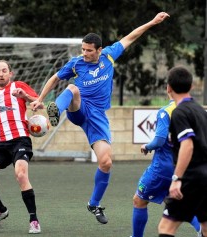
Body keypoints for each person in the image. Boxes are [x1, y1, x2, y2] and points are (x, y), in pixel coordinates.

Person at [31, 12, 170, 224]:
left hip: (98, 117)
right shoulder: (76, 63)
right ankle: (54, 113)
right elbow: (55, 78)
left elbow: (131, 37)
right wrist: (40, 98)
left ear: (99, 50)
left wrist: (152, 22)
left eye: (88, 50)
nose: (84, 53)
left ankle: (94, 204)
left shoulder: (109, 56)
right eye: (83, 49)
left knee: (106, 162)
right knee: (71, 88)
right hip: (80, 109)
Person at [0, 60, 42, 234]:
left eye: (4, 71)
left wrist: (24, 96)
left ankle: (33, 220)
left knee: (21, 174)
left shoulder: (18, 86)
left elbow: (39, 102)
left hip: (20, 140)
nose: (1, 74)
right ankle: (0, 210)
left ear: (10, 73)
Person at [130, 96, 201, 237]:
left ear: (169, 89)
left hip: (162, 169)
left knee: (139, 200)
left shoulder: (165, 112)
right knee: (183, 204)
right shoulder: (195, 111)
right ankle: (201, 231)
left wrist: (147, 146)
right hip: (183, 168)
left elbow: (159, 140)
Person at [157, 66, 207, 237]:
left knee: (166, 228)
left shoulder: (179, 113)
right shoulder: (201, 110)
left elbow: (188, 145)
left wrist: (177, 178)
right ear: (191, 86)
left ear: (168, 88)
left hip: (191, 178)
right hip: (205, 177)